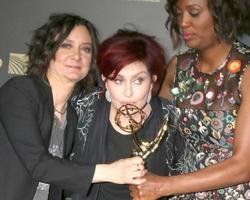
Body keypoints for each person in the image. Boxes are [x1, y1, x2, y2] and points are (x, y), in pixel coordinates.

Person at [0, 13, 146, 200]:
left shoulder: (72, 114)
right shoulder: (21, 91)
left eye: (85, 49)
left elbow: (62, 178)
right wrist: (110, 172)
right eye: (66, 45)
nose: (76, 56)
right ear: (48, 50)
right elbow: (38, 165)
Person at [130, 0, 250, 199]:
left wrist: (162, 187)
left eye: (193, 12)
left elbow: (244, 165)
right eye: (178, 13)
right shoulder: (179, 66)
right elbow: (157, 135)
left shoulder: (245, 71)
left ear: (222, 13)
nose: (183, 22)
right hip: (180, 192)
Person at [68, 29, 182, 200]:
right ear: (105, 80)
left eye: (138, 80)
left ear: (152, 81)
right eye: (118, 80)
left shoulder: (172, 117)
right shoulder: (83, 107)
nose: (128, 93)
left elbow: (183, 177)